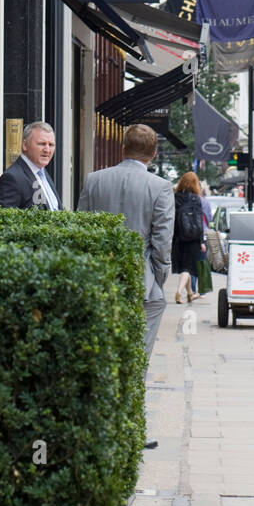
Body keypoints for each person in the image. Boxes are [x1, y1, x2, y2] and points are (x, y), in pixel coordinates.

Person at [77, 123, 175, 364]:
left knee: (101, 354)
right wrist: (159, 279)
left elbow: (81, 230)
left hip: (99, 278)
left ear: (123, 149)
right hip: (142, 282)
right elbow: (162, 241)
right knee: (136, 357)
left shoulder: (94, 180)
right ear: (153, 154)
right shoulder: (160, 187)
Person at [0, 121, 61, 210]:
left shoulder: (42, 172)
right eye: (41, 144)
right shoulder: (12, 178)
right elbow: (2, 220)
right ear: (25, 145)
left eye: (51, 145)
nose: (47, 150)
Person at [172, 170, 206, 303]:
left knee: (184, 267)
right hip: (193, 238)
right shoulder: (196, 199)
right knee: (187, 268)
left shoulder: (176, 198)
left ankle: (190, 294)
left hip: (178, 238)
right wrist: (201, 241)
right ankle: (179, 292)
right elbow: (199, 221)